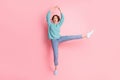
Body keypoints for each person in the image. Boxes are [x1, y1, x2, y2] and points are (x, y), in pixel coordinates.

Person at [46, 6, 94, 75]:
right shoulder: (50, 24)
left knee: (71, 37)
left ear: (57, 19)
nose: (55, 19)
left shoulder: (59, 24)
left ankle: (86, 35)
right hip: (54, 41)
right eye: (54, 18)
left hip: (59, 38)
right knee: (56, 54)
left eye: (56, 18)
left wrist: (60, 11)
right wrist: (52, 9)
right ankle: (56, 68)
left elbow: (62, 19)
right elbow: (47, 17)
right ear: (53, 19)